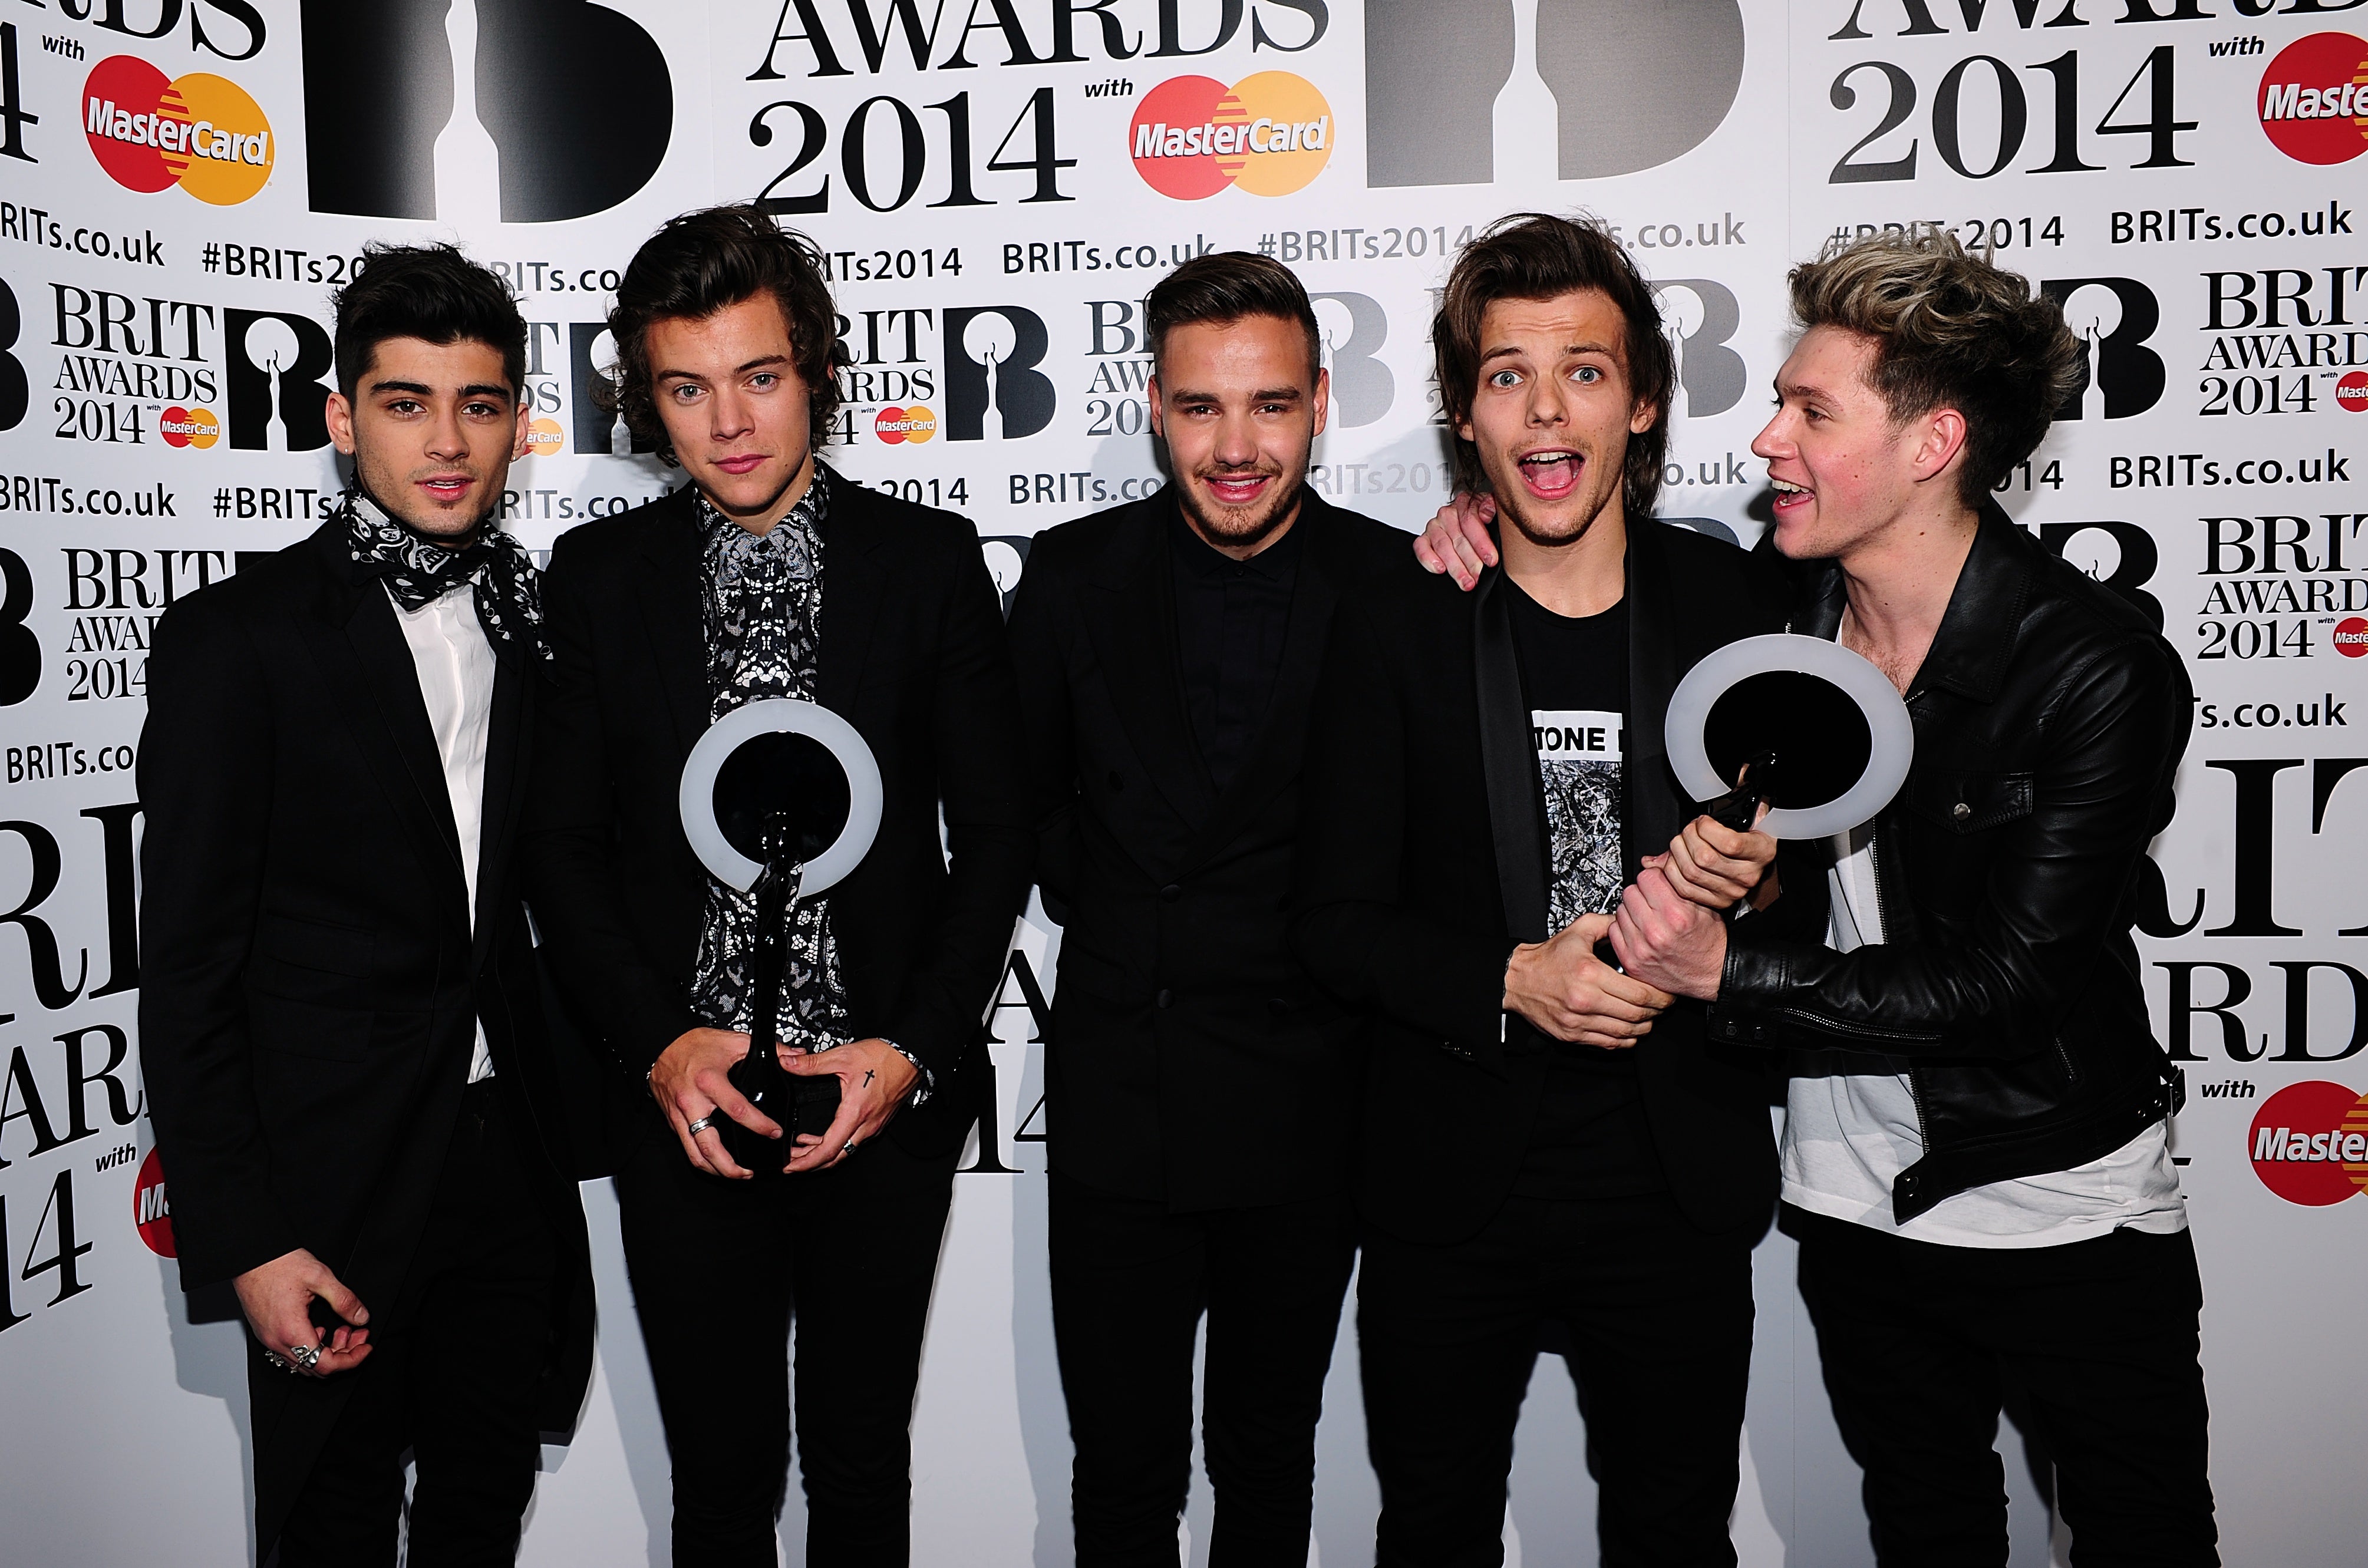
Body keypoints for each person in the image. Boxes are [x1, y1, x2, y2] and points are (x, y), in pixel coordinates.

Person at [1602, 230, 2214, 1567]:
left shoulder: (2093, 667)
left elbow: (2007, 989)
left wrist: (1730, 972)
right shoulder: (1777, 612)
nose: (1765, 439)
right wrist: (1461, 520)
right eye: (1779, 401)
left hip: (2054, 1197)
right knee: (1925, 1534)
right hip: (1848, 1196)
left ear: (1932, 443)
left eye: (1810, 410)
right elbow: (1583, 563)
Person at [520, 204, 1035, 1567]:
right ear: (648, 399)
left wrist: (910, 1049)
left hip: (873, 1087)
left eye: (758, 376)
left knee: (864, 1470)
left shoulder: (924, 565)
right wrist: (662, 1045)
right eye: (686, 388)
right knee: (719, 1483)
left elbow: (993, 830)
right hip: (686, 1098)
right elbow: (557, 848)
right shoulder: (596, 579)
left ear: (813, 368)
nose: (728, 422)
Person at [1288, 213, 1791, 1568]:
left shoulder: (1739, 606)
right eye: (1507, 373)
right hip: (1451, 1176)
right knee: (1432, 1530)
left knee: (1676, 1533)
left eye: (1583, 368)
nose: (1545, 403)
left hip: (1670, 1167)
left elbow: (1810, 888)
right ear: (1463, 415)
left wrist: (1760, 880)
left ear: (1639, 404)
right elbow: (1331, 919)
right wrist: (1508, 978)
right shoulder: (1398, 617)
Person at [138, 244, 595, 1565]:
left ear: (518, 417)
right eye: (406, 403)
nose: (448, 443)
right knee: (328, 1532)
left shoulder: (534, 613)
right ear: (341, 417)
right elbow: (187, 966)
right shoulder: (241, 638)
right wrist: (250, 1238)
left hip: (504, 1164)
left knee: (477, 1513)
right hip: (326, 1186)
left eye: (480, 403)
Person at [1005, 252, 1404, 1567]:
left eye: (1270, 406)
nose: (1235, 447)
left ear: (1321, 402)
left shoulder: (1398, 584)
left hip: (1313, 1097)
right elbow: (1028, 806)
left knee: (1266, 1456)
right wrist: (1122, 913)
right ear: (1154, 405)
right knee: (1119, 1471)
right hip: (1127, 1088)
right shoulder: (1066, 578)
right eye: (1199, 408)